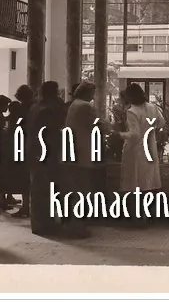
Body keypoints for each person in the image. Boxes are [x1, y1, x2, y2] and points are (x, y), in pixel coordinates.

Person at [60, 82, 101, 238]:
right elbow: (96, 124)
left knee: (73, 189)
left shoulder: (74, 104)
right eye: (92, 93)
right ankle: (77, 226)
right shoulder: (85, 106)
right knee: (81, 190)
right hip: (82, 150)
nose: (93, 96)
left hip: (71, 150)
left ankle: (71, 224)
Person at [27, 81, 66, 236]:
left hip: (37, 151)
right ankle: (43, 224)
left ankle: (41, 223)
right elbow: (54, 130)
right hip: (44, 152)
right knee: (43, 189)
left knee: (39, 188)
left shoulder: (35, 107)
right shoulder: (47, 110)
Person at [119, 83, 163, 224]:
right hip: (150, 148)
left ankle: (137, 217)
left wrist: (119, 134)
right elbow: (161, 123)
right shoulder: (152, 107)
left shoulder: (132, 111)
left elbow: (134, 134)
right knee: (148, 183)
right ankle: (149, 216)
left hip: (136, 151)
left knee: (135, 183)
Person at [0, 85, 35, 218]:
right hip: (33, 145)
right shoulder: (34, 107)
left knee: (24, 178)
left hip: (21, 146)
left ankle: (25, 207)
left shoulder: (21, 109)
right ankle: (30, 206)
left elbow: (15, 128)